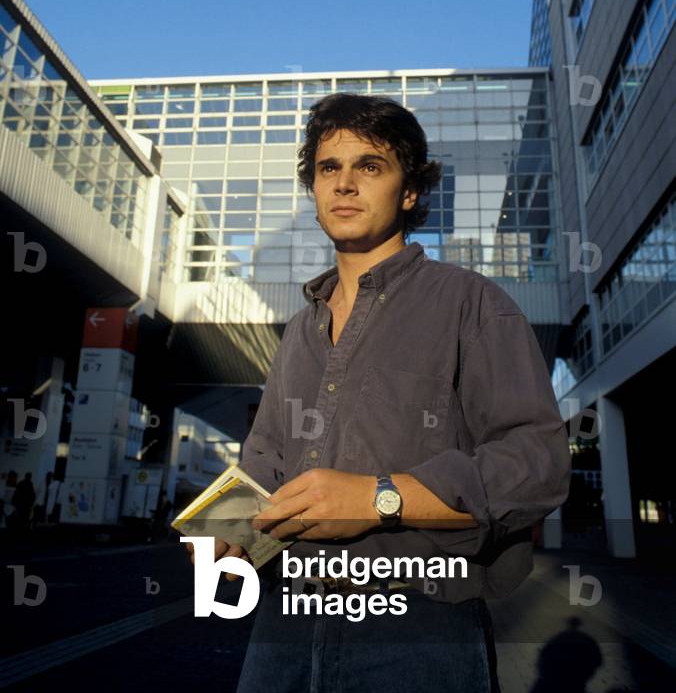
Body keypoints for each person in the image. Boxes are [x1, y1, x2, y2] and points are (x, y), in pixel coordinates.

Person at [185, 93, 571, 693]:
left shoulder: (471, 303)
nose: (344, 184)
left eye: (369, 166)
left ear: (410, 191)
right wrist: (229, 530)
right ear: (313, 190)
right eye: (327, 168)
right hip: (285, 624)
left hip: (418, 628)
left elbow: (538, 463)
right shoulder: (298, 329)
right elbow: (264, 462)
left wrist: (379, 499)